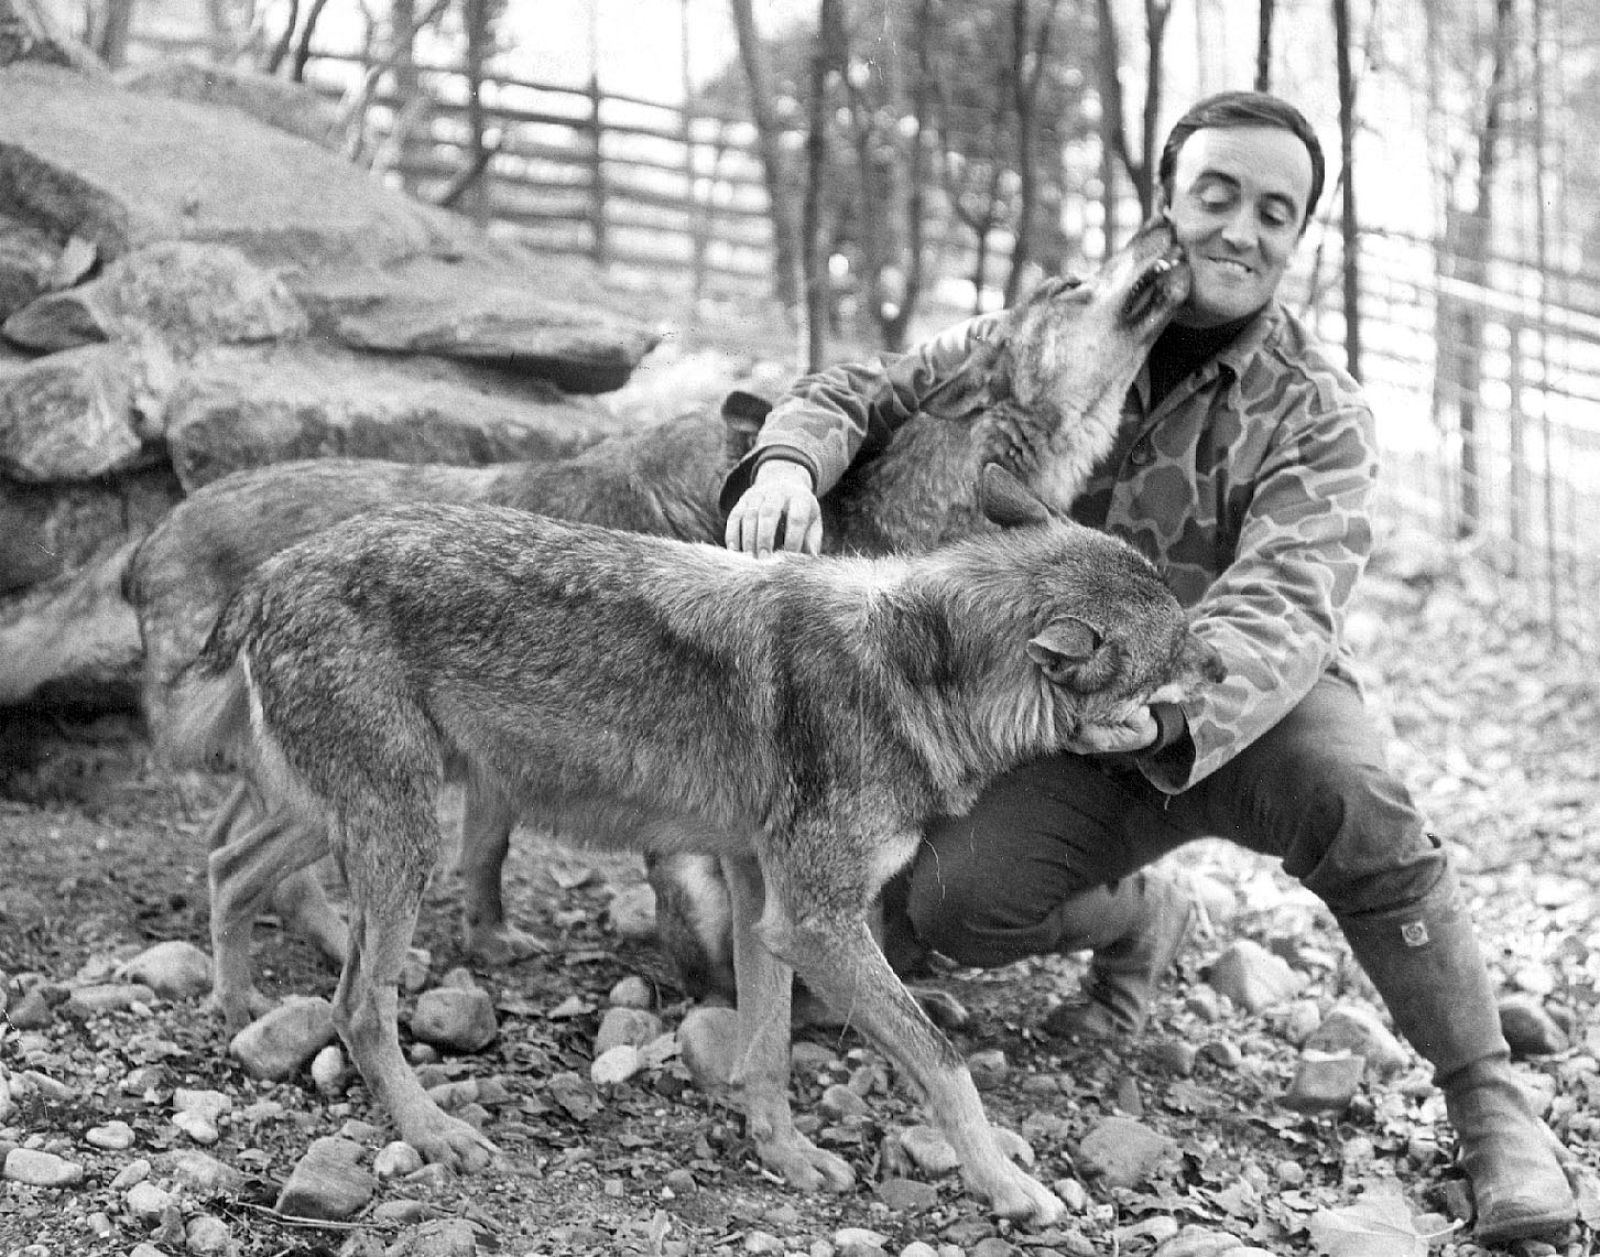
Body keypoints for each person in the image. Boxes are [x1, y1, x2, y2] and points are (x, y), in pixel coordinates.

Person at [718, 91, 1577, 1247]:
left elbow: (1287, 600)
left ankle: (1487, 1100)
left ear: (1296, 235)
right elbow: (865, 386)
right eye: (1216, 195)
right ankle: (1137, 919)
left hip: (1234, 692)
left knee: (1353, 796)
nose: (1240, 229)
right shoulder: (1058, 331)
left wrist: (1170, 716)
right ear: (1166, 204)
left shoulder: (1315, 410)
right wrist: (786, 461)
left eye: (1273, 211)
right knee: (954, 901)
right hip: (1060, 708)